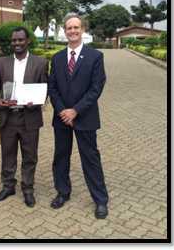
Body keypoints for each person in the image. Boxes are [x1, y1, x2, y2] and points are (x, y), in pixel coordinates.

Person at [48, 13, 109, 219]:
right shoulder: (56, 58)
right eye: (69, 28)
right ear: (64, 32)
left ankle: (100, 200)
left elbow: (96, 87)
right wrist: (63, 111)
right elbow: (53, 88)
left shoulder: (95, 56)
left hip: (85, 117)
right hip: (62, 117)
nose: (72, 31)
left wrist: (76, 110)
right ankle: (62, 192)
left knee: (90, 158)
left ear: (82, 30)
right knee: (61, 157)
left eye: (76, 27)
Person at [0, 26, 49, 208]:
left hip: (29, 117)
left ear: (27, 41)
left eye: (20, 40)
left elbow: (45, 88)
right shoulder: (2, 62)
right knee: (7, 153)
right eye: (14, 40)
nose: (16, 43)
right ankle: (8, 186)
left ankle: (28, 189)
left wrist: (38, 101)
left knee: (29, 155)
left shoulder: (40, 62)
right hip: (8, 116)